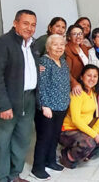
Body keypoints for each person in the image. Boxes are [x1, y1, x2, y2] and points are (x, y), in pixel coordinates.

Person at [0, 9, 39, 182]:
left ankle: (14, 175)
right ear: (15, 23)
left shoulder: (33, 44)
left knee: (22, 140)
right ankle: (0, 178)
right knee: (2, 143)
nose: (29, 28)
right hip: (8, 101)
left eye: (33, 25)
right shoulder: (0, 44)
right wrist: (4, 105)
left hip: (28, 100)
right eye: (25, 23)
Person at [31, 34, 70, 180]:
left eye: (62, 44)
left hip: (61, 105)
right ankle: (38, 167)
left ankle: (50, 161)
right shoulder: (44, 62)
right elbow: (41, 86)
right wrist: (44, 105)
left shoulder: (63, 61)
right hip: (47, 108)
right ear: (48, 47)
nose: (59, 47)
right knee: (44, 137)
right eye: (55, 44)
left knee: (54, 136)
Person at [59, 65, 99, 168]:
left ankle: (85, 154)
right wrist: (94, 134)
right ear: (82, 77)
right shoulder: (77, 93)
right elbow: (76, 120)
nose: (92, 79)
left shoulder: (92, 92)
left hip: (83, 128)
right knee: (90, 142)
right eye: (89, 75)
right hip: (69, 129)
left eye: (95, 76)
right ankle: (68, 157)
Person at [65, 25, 89, 96]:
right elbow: (66, 71)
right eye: (75, 34)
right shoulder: (66, 50)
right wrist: (74, 82)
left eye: (80, 33)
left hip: (85, 83)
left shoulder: (83, 47)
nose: (78, 36)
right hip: (74, 87)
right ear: (69, 37)